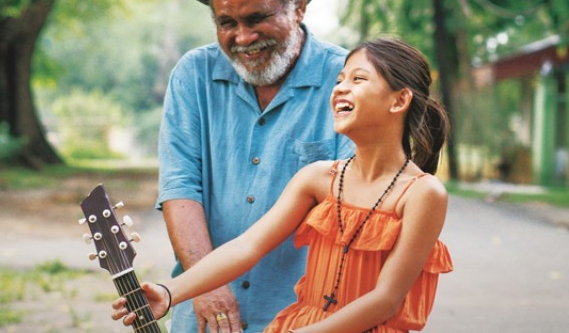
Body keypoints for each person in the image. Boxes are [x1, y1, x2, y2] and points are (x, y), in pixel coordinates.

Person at [113, 37, 453, 332]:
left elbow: (386, 300)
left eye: (358, 79)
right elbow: (246, 247)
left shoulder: (422, 194)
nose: (340, 88)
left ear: (398, 100)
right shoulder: (319, 178)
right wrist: (170, 292)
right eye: (339, 79)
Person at [153, 0, 354, 332]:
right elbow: (180, 187)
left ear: (298, 8)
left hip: (308, 315)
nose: (243, 37)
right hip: (203, 313)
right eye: (227, 22)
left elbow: (356, 210)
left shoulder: (348, 79)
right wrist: (206, 285)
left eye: (257, 18)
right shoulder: (193, 75)